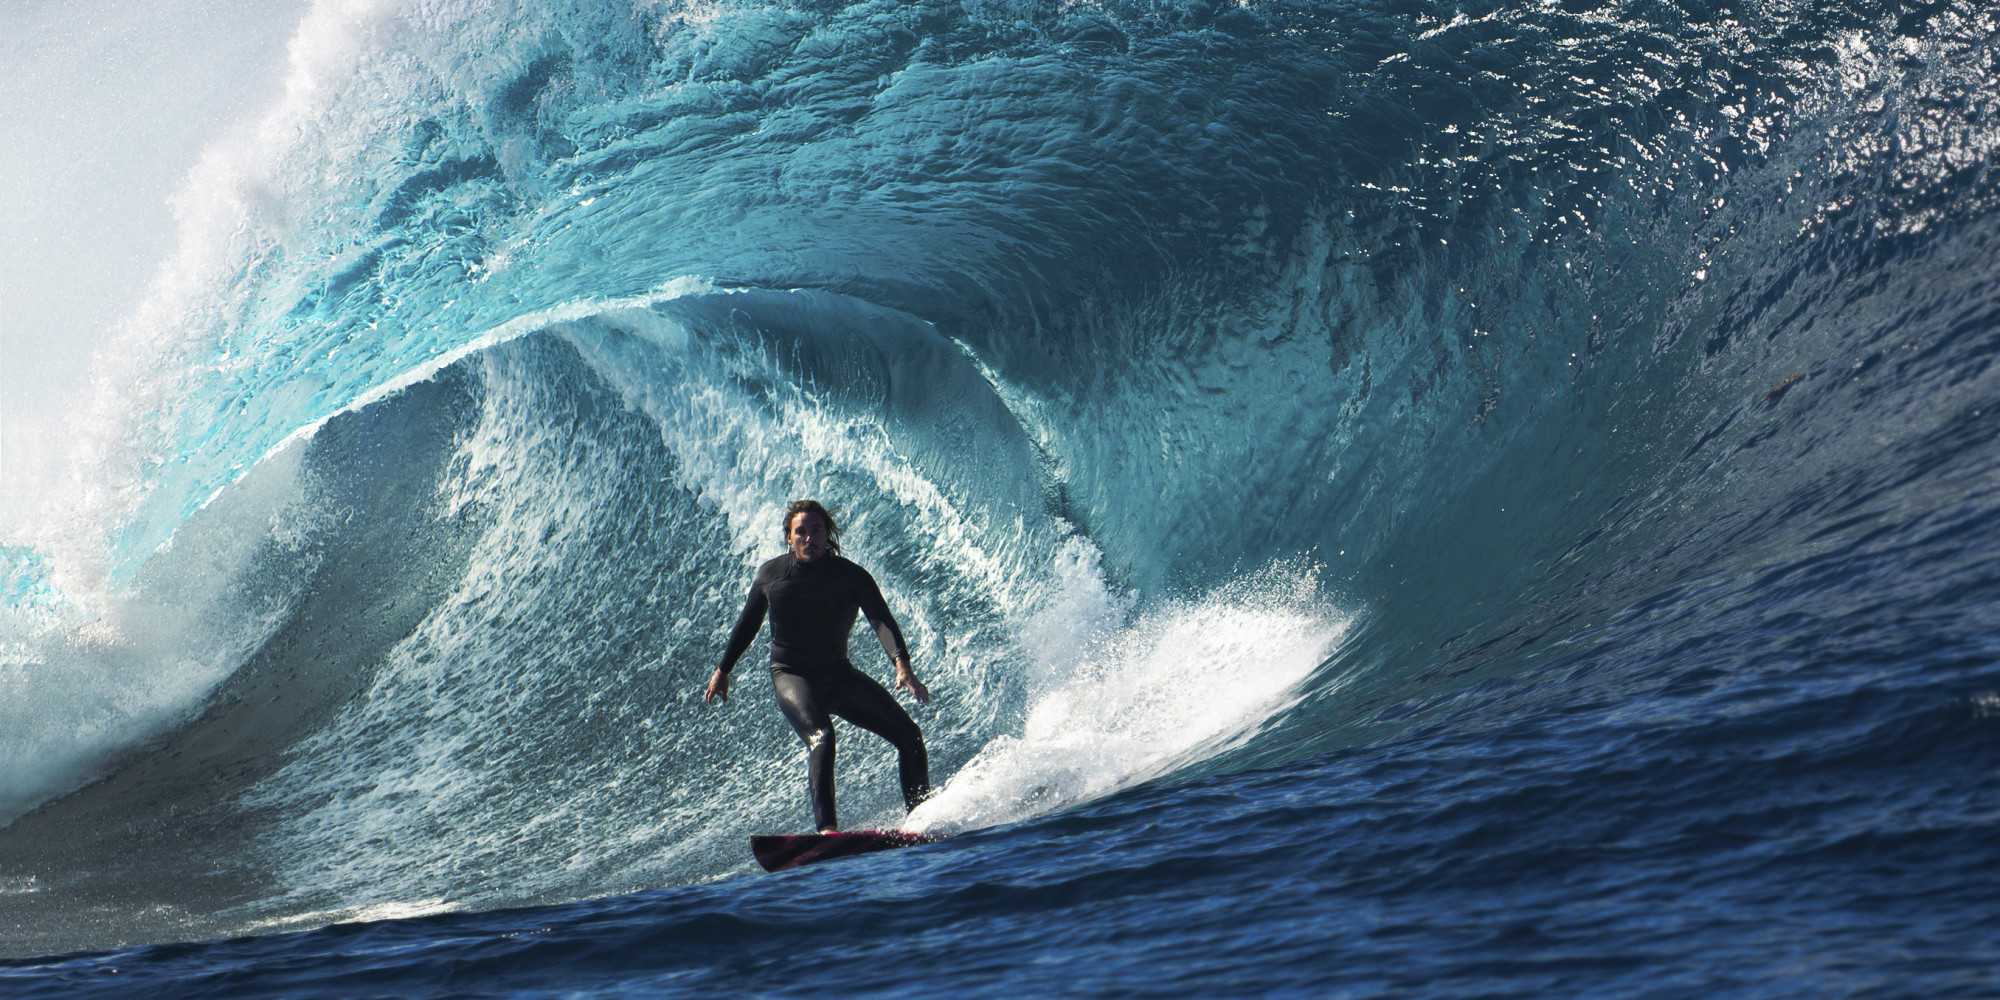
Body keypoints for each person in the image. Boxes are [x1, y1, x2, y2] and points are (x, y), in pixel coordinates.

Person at [705, 500, 931, 833]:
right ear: (788, 537)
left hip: (838, 674)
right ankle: (827, 832)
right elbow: (747, 624)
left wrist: (901, 664)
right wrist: (723, 670)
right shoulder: (771, 575)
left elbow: (881, 620)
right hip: (791, 674)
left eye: (816, 530)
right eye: (801, 532)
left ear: (827, 535)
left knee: (909, 735)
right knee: (822, 737)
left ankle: (921, 821)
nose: (809, 538)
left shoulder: (851, 576)